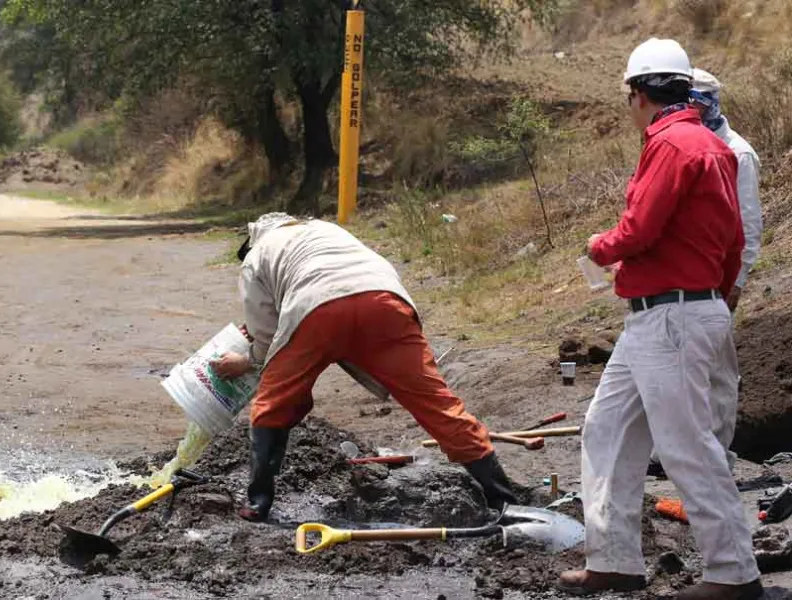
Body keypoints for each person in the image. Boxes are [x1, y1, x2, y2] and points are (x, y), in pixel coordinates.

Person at [557, 39, 761, 600]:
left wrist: (599, 246)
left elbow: (639, 229)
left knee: (686, 445)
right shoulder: (713, 145)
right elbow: (735, 240)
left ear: (639, 94)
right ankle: (614, 560)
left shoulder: (670, 144)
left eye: (629, 98)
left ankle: (733, 572)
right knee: (607, 428)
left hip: (669, 315)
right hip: (672, 312)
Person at [209, 212, 518, 523]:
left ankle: (258, 502)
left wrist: (247, 360)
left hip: (316, 308)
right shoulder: (322, 229)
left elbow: (264, 337)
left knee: (271, 405)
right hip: (385, 302)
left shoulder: (255, 258)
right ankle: (503, 498)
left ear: (251, 243)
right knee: (438, 404)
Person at [647, 67, 763, 478]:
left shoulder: (737, 153)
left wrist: (736, 284)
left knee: (716, 370)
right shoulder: (678, 145)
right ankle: (667, 454)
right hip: (679, 275)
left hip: (717, 280)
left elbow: (746, 228)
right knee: (670, 365)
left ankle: (716, 453)